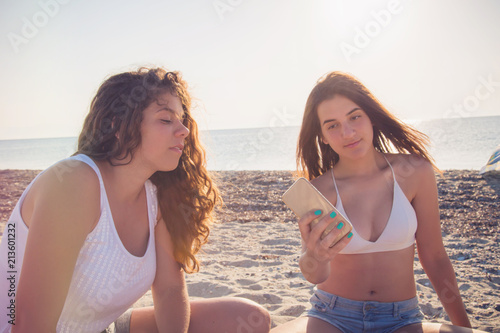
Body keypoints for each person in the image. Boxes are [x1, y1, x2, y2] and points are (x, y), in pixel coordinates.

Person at [0, 67, 270, 333]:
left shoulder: (155, 197)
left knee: (246, 317)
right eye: (166, 120)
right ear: (119, 125)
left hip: (101, 328)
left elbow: (169, 290)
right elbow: (27, 325)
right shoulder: (73, 183)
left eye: (182, 120)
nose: (184, 131)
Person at [271, 72, 485, 333]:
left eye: (354, 117)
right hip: (332, 316)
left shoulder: (414, 172)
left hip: (402, 319)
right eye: (333, 125)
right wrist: (315, 257)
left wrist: (463, 326)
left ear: (371, 117)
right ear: (323, 136)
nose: (348, 132)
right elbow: (314, 274)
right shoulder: (318, 191)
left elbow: (435, 257)